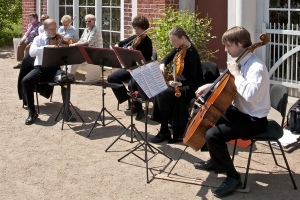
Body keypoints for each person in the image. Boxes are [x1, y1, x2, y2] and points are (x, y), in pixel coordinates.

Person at [193, 26, 271, 197]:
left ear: (242, 43)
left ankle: (233, 177)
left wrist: (236, 74)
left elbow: (250, 95)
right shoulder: (241, 61)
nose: (225, 49)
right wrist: (210, 86)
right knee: (208, 116)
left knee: (213, 135)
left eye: (228, 45)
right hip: (240, 112)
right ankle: (216, 160)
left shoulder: (255, 67)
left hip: (254, 120)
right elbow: (228, 83)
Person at [149, 26, 203, 143]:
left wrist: (179, 83)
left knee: (163, 94)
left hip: (191, 87)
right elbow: (167, 58)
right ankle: (165, 128)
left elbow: (193, 79)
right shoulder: (180, 47)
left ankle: (164, 131)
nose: (173, 44)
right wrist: (162, 64)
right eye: (172, 41)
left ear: (182, 38)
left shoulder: (192, 53)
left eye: (174, 41)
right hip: (181, 83)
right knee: (160, 91)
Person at [22, 18, 75, 125]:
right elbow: (32, 53)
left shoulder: (59, 38)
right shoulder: (38, 39)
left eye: (55, 29)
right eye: (51, 29)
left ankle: (66, 110)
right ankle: (32, 112)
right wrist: (47, 47)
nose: (53, 31)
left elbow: (69, 50)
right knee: (25, 81)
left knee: (66, 79)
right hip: (40, 69)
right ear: (45, 28)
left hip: (54, 70)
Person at [107, 15, 153, 120]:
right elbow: (123, 42)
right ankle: (127, 97)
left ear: (144, 28)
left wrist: (133, 52)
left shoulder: (147, 42)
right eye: (135, 28)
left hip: (141, 70)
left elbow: (145, 59)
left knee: (132, 84)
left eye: (138, 28)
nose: (136, 30)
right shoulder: (134, 38)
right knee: (111, 78)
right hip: (130, 69)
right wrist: (117, 45)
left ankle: (139, 109)